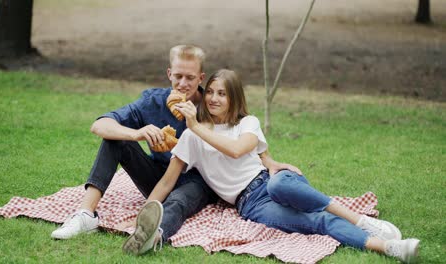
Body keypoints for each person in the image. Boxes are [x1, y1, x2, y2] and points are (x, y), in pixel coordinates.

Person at [125, 69, 420, 263]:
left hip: (271, 181)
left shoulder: (247, 123)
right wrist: (145, 215)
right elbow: (167, 180)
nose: (214, 98)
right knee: (319, 222)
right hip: (250, 203)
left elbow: (238, 150)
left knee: (279, 182)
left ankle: (360, 221)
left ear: (234, 98)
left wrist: (194, 125)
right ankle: (391, 248)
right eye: (211, 91)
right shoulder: (192, 136)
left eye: (222, 93)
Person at [51, 45, 292, 248]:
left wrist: (268, 160)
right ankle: (85, 215)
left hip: (198, 181)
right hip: (157, 177)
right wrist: (137, 134)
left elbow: (242, 131)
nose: (183, 83)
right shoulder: (152, 101)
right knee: (115, 139)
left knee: (179, 201)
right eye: (178, 76)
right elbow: (100, 125)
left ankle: (153, 235)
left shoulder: (212, 105)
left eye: (190, 77)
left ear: (201, 77)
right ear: (169, 73)